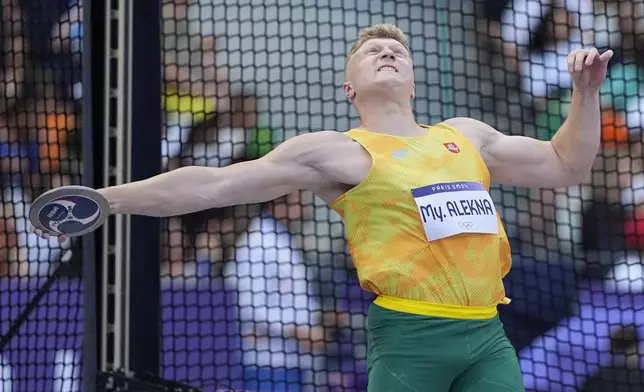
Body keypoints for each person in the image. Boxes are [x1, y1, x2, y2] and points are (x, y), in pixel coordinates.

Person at [32, 24, 613, 391]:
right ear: (349, 89)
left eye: (397, 51)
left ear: (412, 81)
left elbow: (566, 165)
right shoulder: (337, 152)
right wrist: (109, 199)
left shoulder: (466, 134)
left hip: (488, 332)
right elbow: (213, 184)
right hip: (411, 337)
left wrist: (585, 97)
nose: (387, 53)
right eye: (372, 52)